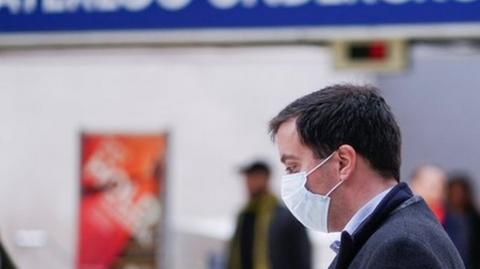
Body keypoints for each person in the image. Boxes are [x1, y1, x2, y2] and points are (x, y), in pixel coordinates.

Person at [268, 84, 464, 269]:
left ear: (343, 162)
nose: (288, 181)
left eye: (293, 167)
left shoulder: (399, 249)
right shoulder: (385, 235)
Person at [226, 160, 311, 269]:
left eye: (253, 177)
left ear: (265, 178)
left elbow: (301, 258)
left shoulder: (286, 217)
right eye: (247, 178)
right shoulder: (244, 215)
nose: (248, 183)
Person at [446, 173, 480, 269]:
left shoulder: (474, 220)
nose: (457, 196)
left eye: (460, 192)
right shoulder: (441, 218)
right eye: (454, 192)